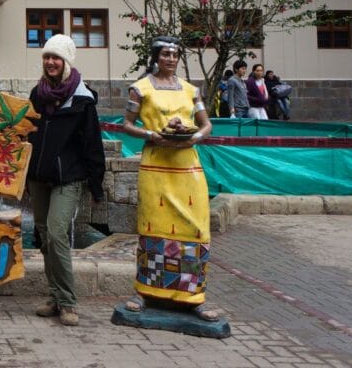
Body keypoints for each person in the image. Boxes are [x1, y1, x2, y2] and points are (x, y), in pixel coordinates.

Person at [120, 36, 220, 321]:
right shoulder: (140, 89)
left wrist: (195, 137)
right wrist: (151, 134)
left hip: (188, 167)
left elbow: (206, 124)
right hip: (156, 166)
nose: (171, 59)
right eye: (165, 54)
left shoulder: (191, 91)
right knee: (153, 227)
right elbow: (127, 124)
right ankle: (145, 291)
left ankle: (193, 296)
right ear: (156, 56)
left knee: (196, 229)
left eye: (175, 55)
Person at [26, 34, 105, 327]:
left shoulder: (82, 101)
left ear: (66, 62)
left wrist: (96, 185)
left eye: (56, 58)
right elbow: (28, 135)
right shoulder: (38, 94)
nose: (50, 62)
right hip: (38, 177)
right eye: (47, 57)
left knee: (57, 233)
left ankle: (69, 302)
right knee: (45, 237)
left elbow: (92, 145)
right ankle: (55, 296)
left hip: (68, 178)